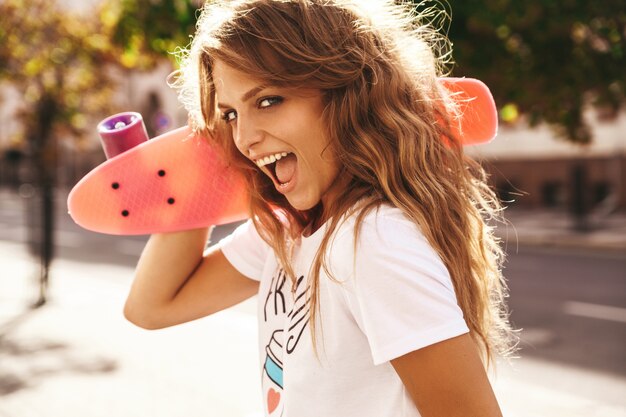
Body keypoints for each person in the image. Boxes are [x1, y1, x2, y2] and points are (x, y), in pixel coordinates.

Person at [124, 1, 517, 416]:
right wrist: (201, 168)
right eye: (230, 114)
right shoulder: (289, 234)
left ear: (349, 98)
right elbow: (151, 306)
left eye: (269, 100)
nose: (244, 138)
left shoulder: (375, 240)